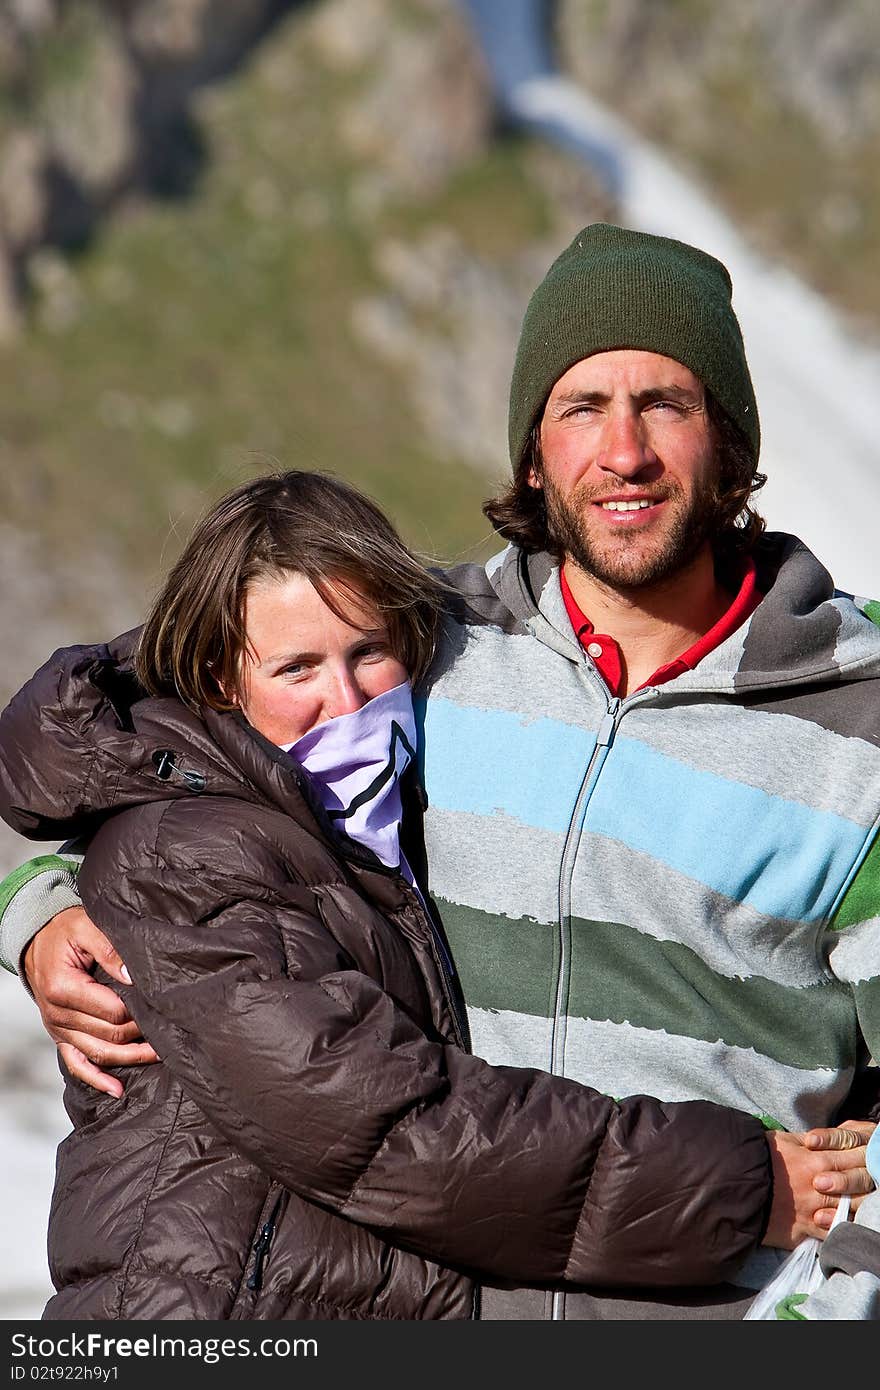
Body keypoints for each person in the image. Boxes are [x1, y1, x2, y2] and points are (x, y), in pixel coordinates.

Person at [2, 223, 879, 1320]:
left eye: (666, 402)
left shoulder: (861, 722)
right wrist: (32, 912)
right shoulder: (423, 640)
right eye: (578, 408)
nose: (624, 451)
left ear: (731, 442)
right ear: (530, 453)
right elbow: (151, 732)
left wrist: (837, 1311)